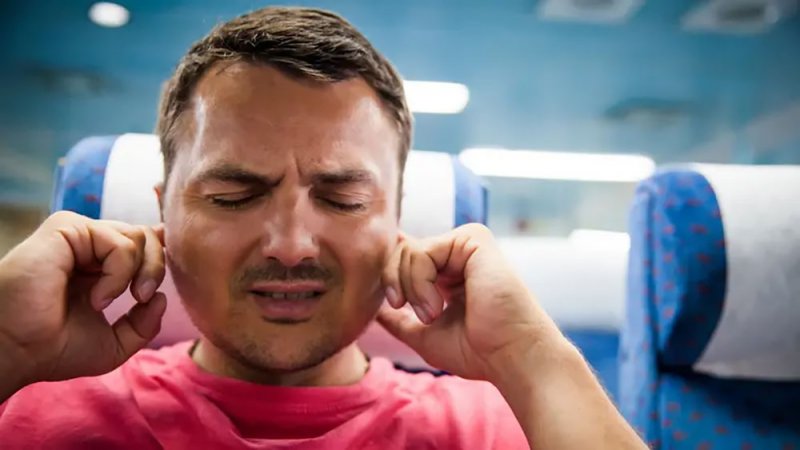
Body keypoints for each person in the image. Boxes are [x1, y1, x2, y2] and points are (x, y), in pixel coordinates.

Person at [0, 6, 644, 449]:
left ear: (398, 218)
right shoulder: (39, 416)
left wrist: (532, 358)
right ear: (163, 213)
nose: (290, 246)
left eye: (342, 199)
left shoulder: (488, 431)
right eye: (232, 197)